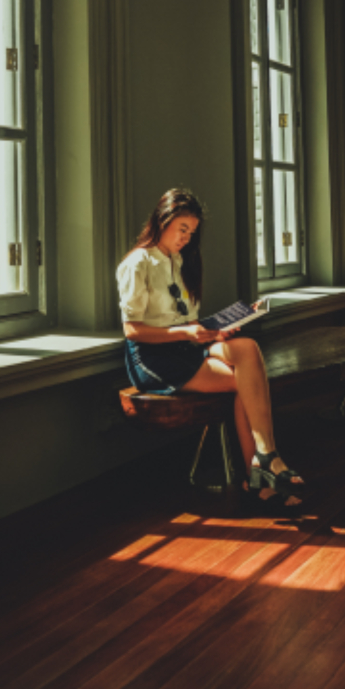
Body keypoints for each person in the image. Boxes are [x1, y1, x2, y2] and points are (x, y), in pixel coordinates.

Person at [117, 187, 303, 507]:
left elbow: (186, 318)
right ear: (163, 221)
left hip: (187, 346)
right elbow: (132, 330)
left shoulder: (179, 259)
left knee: (245, 347)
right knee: (244, 385)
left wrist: (216, 331)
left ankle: (265, 458)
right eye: (182, 229)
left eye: (192, 232)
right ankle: (259, 476)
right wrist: (188, 334)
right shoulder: (138, 263)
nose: (187, 238)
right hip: (154, 359)